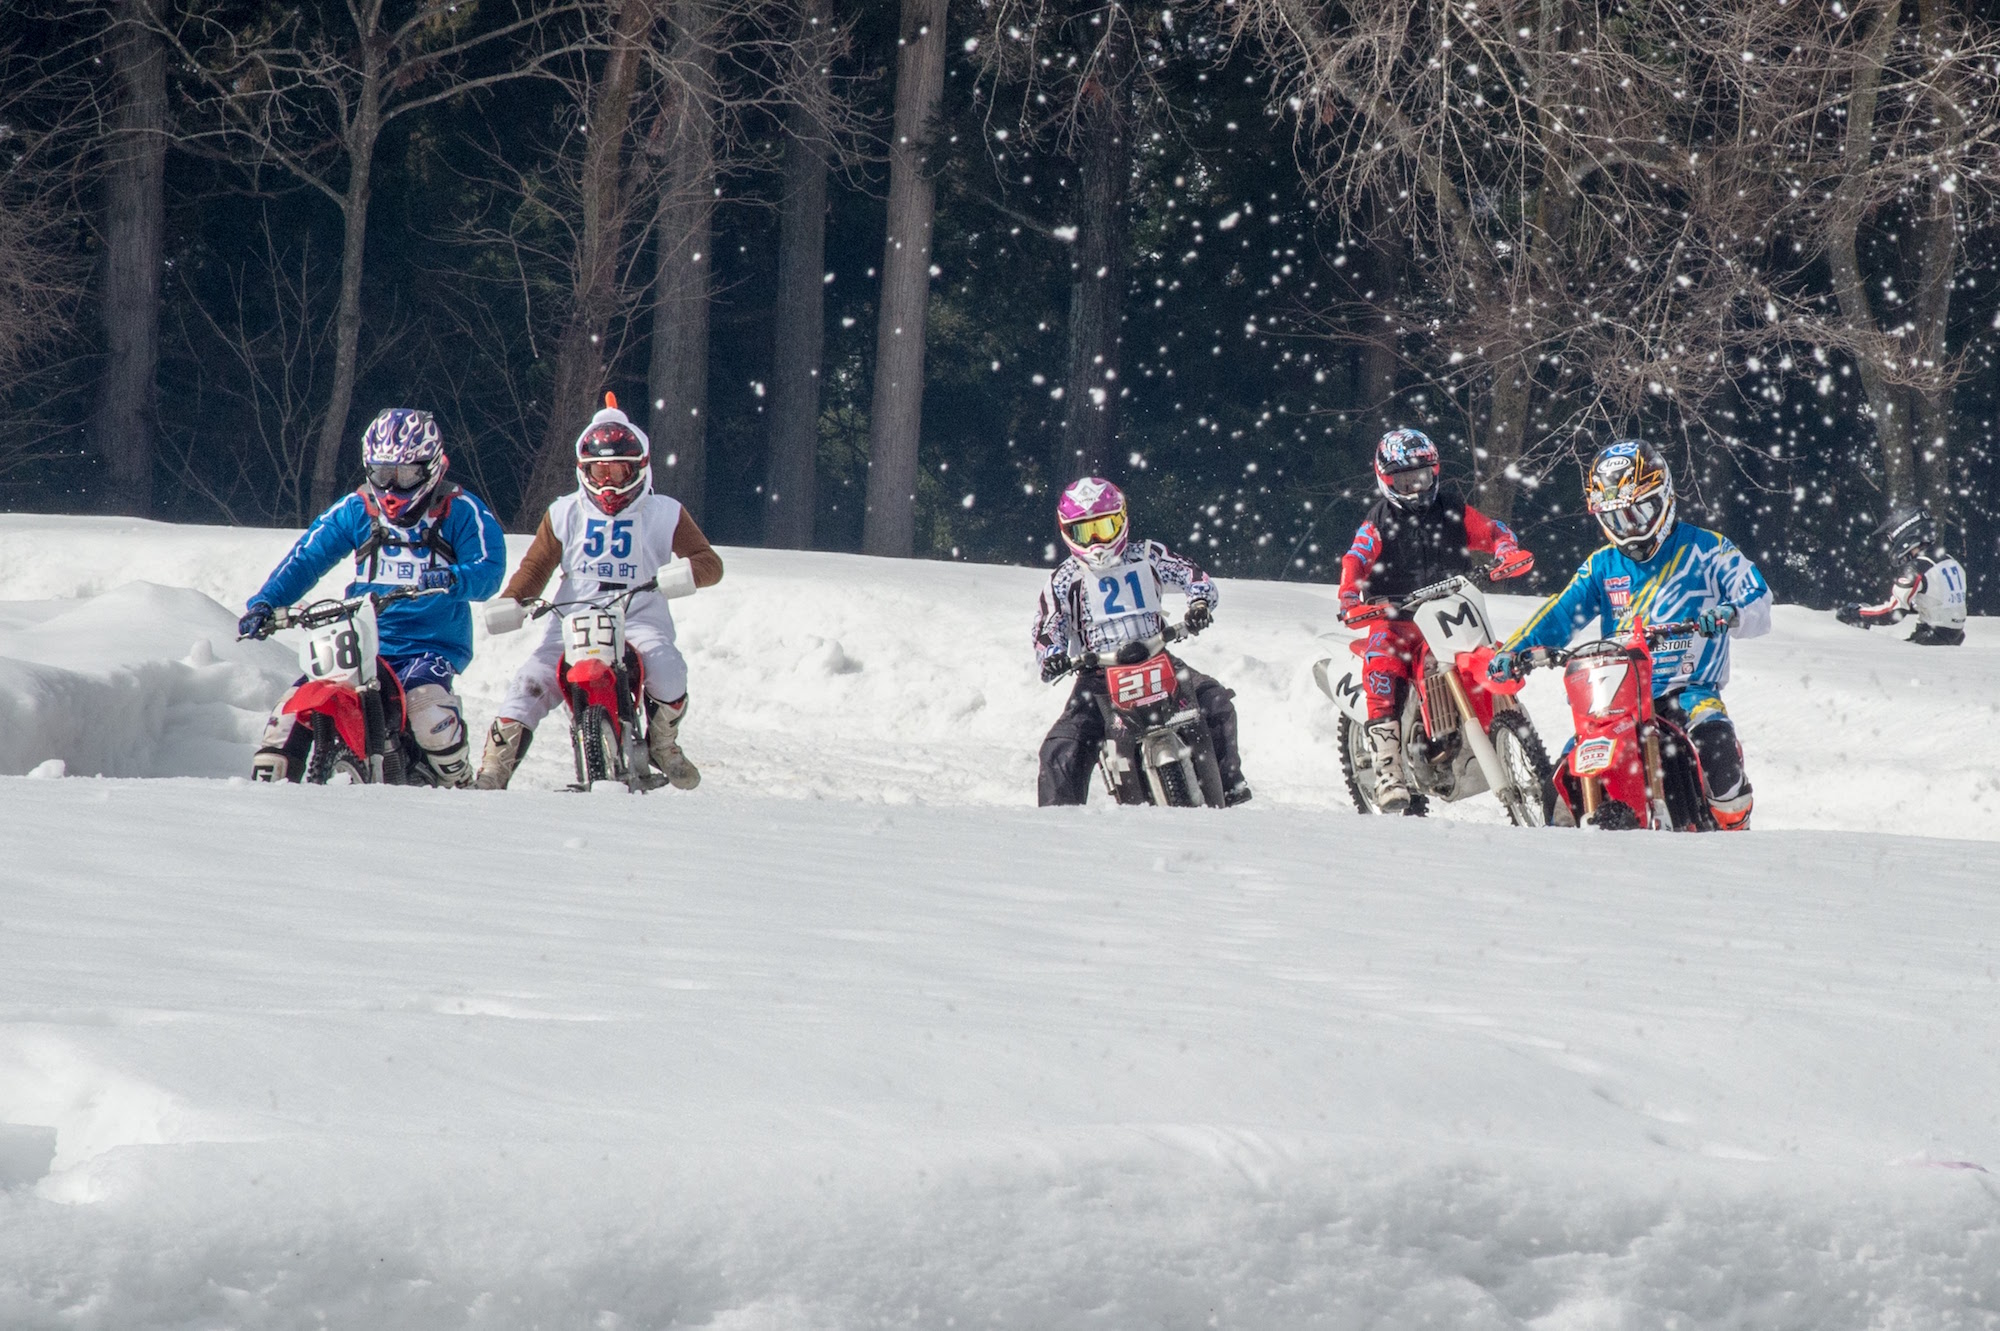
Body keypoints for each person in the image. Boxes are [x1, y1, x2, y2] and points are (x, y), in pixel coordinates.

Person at [1487, 438, 1772, 829]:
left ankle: (1734, 828)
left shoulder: (1709, 550)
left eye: (1640, 512)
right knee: (1562, 777)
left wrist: (1732, 612)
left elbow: (1757, 594)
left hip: (1689, 690)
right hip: (1616, 700)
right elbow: (1561, 612)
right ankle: (1560, 851)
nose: (1630, 527)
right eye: (1617, 517)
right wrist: (1517, 650)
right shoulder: (1601, 565)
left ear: (1665, 498)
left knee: (1715, 744)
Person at [241, 407, 506, 785]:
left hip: (428, 646)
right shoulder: (357, 510)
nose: (393, 488)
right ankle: (263, 812)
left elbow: (489, 570)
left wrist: (452, 577)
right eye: (383, 474)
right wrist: (266, 603)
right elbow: (307, 558)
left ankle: (456, 781)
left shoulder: (461, 512)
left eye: (405, 475)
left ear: (431, 468)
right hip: (361, 638)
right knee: (284, 720)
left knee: (427, 710)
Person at [474, 393, 723, 791]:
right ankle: (493, 770)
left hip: (639, 619)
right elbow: (536, 566)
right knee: (528, 684)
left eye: (619, 472)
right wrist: (513, 601)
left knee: (669, 668)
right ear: (583, 470)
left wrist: (685, 573)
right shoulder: (564, 511)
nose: (608, 483)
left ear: (639, 469)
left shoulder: (665, 511)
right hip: (569, 622)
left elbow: (709, 561)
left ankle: (662, 743)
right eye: (599, 471)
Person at [1337, 428, 1535, 812]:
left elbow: (1493, 530)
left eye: (1421, 477)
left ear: (1434, 473)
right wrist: (1349, 595)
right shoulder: (1377, 522)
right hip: (1394, 616)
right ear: (1386, 479)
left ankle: (1516, 734)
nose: (1414, 488)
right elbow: (1355, 559)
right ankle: (1388, 770)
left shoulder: (1453, 509)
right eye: (1404, 480)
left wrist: (1505, 550)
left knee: (1489, 653)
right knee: (1382, 663)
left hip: (1449, 608)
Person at [1032, 477, 1250, 807]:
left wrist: (1199, 605)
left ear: (1122, 521)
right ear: (1067, 533)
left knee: (1215, 701)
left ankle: (1229, 785)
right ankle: (1059, 827)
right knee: (1062, 748)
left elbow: (1192, 575)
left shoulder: (1148, 555)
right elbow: (1048, 624)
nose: (1096, 542)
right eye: (1083, 532)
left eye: (1104, 528)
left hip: (1156, 656)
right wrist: (1053, 655)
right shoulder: (1064, 579)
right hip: (1098, 674)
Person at [1837, 504, 1966, 646]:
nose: (1892, 544)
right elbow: (1937, 601)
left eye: (1892, 539)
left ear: (1905, 534)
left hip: (1928, 640)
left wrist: (1858, 613)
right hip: (1954, 638)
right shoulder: (1951, 562)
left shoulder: (1916, 568)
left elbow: (1893, 613)